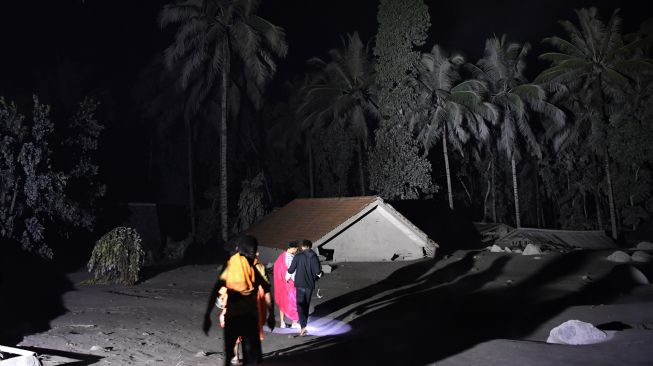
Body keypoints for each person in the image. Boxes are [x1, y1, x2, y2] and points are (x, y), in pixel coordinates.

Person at [213, 235, 275, 365]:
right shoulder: (259, 267)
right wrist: (271, 314)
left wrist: (220, 300)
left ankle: (235, 356)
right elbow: (267, 291)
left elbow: (223, 289)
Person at [287, 239, 322, 337]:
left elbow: (291, 270)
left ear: (302, 247)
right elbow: (318, 271)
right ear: (310, 246)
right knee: (306, 305)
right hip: (309, 285)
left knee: (300, 305)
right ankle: (304, 325)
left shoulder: (298, 256)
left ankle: (303, 326)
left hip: (300, 284)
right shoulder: (314, 257)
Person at [273, 241, 300, 329]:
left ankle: (282, 323)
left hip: (281, 284)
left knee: (282, 302)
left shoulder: (281, 256)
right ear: (293, 248)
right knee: (295, 301)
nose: (296, 251)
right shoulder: (290, 258)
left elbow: (276, 268)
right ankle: (294, 323)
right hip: (290, 283)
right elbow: (292, 271)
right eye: (296, 249)